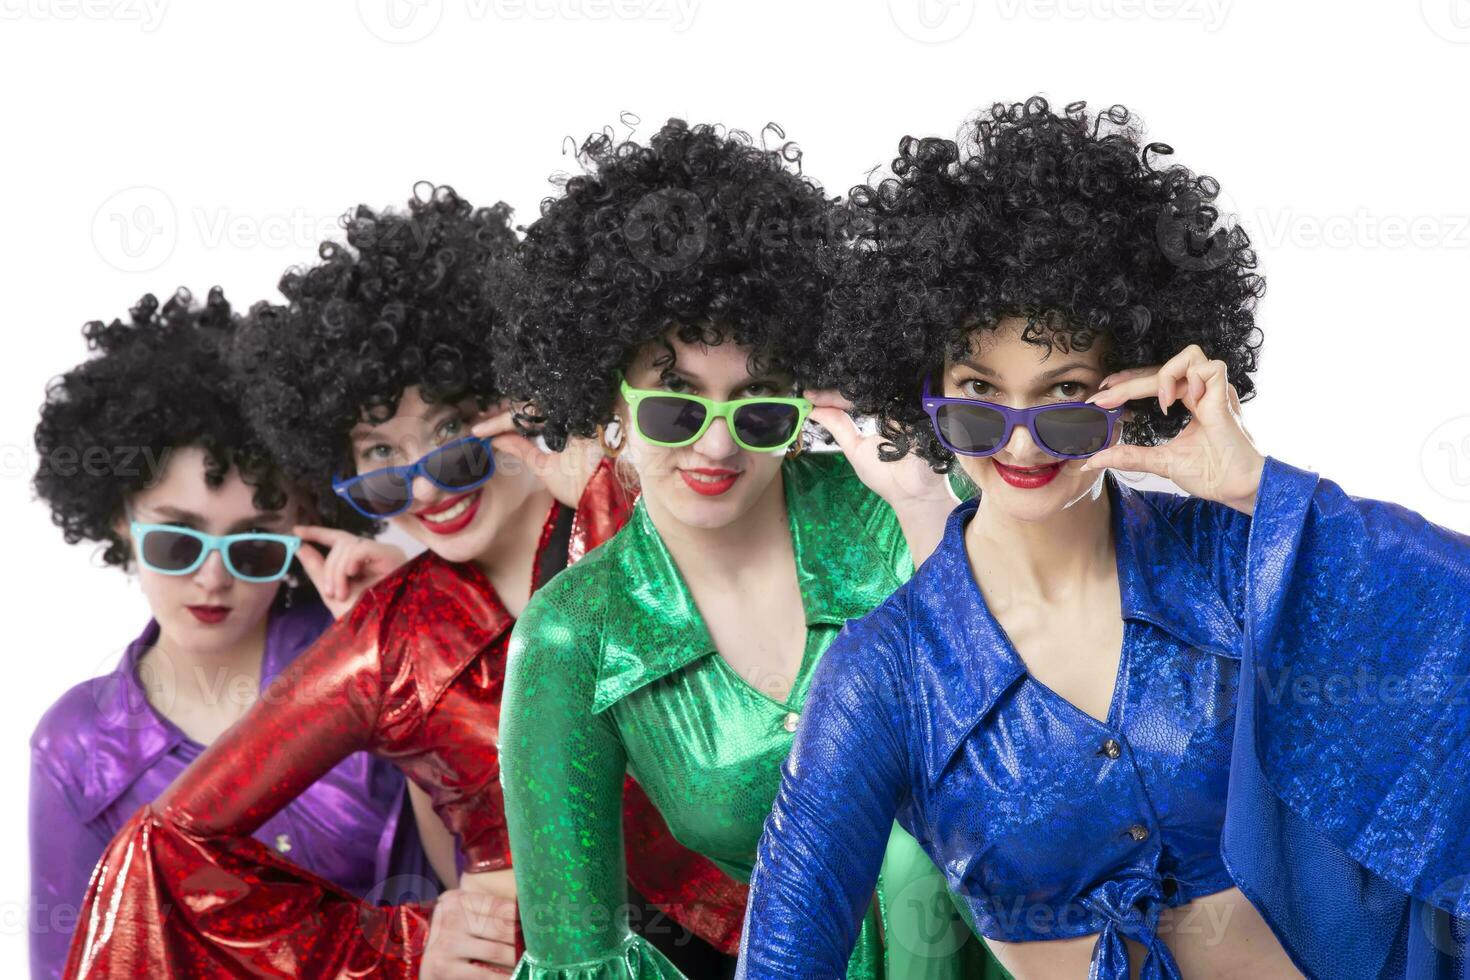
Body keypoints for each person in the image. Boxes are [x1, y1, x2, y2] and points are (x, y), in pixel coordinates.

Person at [736, 97, 1470, 979]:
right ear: (922, 391)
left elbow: (1452, 628)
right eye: (977, 393)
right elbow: (787, 948)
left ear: (1129, 382)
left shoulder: (1235, 557)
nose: (1017, 440)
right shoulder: (887, 675)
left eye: (1065, 393)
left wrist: (1251, 484)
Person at [61, 186, 743, 979]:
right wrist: (402, 944)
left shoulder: (659, 499)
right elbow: (170, 845)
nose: (425, 490)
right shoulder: (387, 638)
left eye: (453, 433)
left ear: (520, 388)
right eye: (381, 454)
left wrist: (614, 491)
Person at [479, 118, 1005, 979]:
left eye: (759, 404)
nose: (718, 448)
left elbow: (1048, 727)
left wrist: (923, 510)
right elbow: (578, 961)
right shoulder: (573, 637)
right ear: (609, 403)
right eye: (676, 405)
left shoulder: (896, 519)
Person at [29, 287, 425, 979]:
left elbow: (481, 875)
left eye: (252, 548)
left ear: (305, 516)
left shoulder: (362, 660)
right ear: (123, 520)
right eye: (178, 543)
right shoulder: (78, 747)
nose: (213, 581)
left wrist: (408, 646)